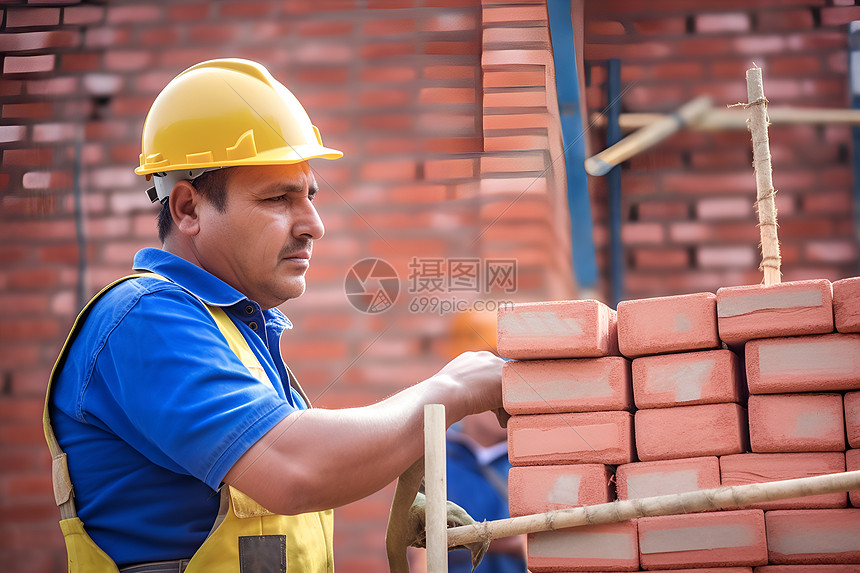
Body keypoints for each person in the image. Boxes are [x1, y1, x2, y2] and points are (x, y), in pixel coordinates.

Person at [44, 58, 505, 573]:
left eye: (309, 195)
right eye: (278, 198)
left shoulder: (240, 333)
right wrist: (455, 388)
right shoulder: (144, 318)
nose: (314, 224)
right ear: (187, 210)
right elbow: (294, 468)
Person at [410, 310, 527, 573]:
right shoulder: (436, 456)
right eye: (490, 389)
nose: (498, 400)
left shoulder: (540, 459)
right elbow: (419, 550)